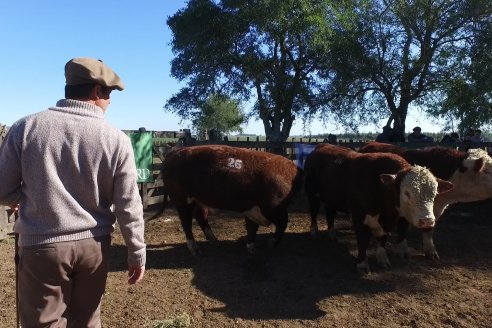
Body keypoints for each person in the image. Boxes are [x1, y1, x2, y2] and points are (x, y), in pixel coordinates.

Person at [0, 57, 146, 327]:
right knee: (88, 321)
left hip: (42, 247)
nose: (110, 101)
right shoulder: (117, 140)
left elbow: (2, 189)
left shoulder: (26, 128)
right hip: (95, 247)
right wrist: (136, 251)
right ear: (95, 92)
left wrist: (28, 199)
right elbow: (128, 204)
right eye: (108, 93)